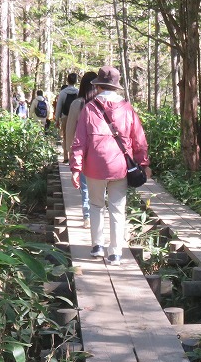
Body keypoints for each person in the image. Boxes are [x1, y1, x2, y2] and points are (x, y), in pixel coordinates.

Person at [69, 66, 151, 265]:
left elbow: (79, 141)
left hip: (94, 166)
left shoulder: (89, 108)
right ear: (116, 86)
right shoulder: (127, 108)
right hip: (120, 166)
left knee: (96, 205)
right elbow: (139, 139)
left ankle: (97, 245)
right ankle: (115, 253)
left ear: (98, 86)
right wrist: (144, 163)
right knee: (117, 208)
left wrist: (75, 168)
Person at [65, 71, 99, 229]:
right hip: (101, 153)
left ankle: (87, 217)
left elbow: (70, 130)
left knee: (84, 186)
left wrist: (69, 152)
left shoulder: (77, 104)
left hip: (82, 152)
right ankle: (96, 215)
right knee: (99, 186)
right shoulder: (102, 104)